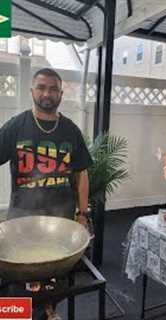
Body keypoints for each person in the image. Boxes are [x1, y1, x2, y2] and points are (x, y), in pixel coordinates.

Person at [0, 68, 93, 320]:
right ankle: (21, 315)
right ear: (32, 91)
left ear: (61, 94)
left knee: (56, 281)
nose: (47, 93)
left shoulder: (70, 130)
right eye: (41, 87)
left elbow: (81, 174)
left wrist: (82, 214)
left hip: (60, 221)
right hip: (21, 219)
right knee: (17, 287)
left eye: (53, 88)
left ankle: (49, 311)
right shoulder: (16, 126)